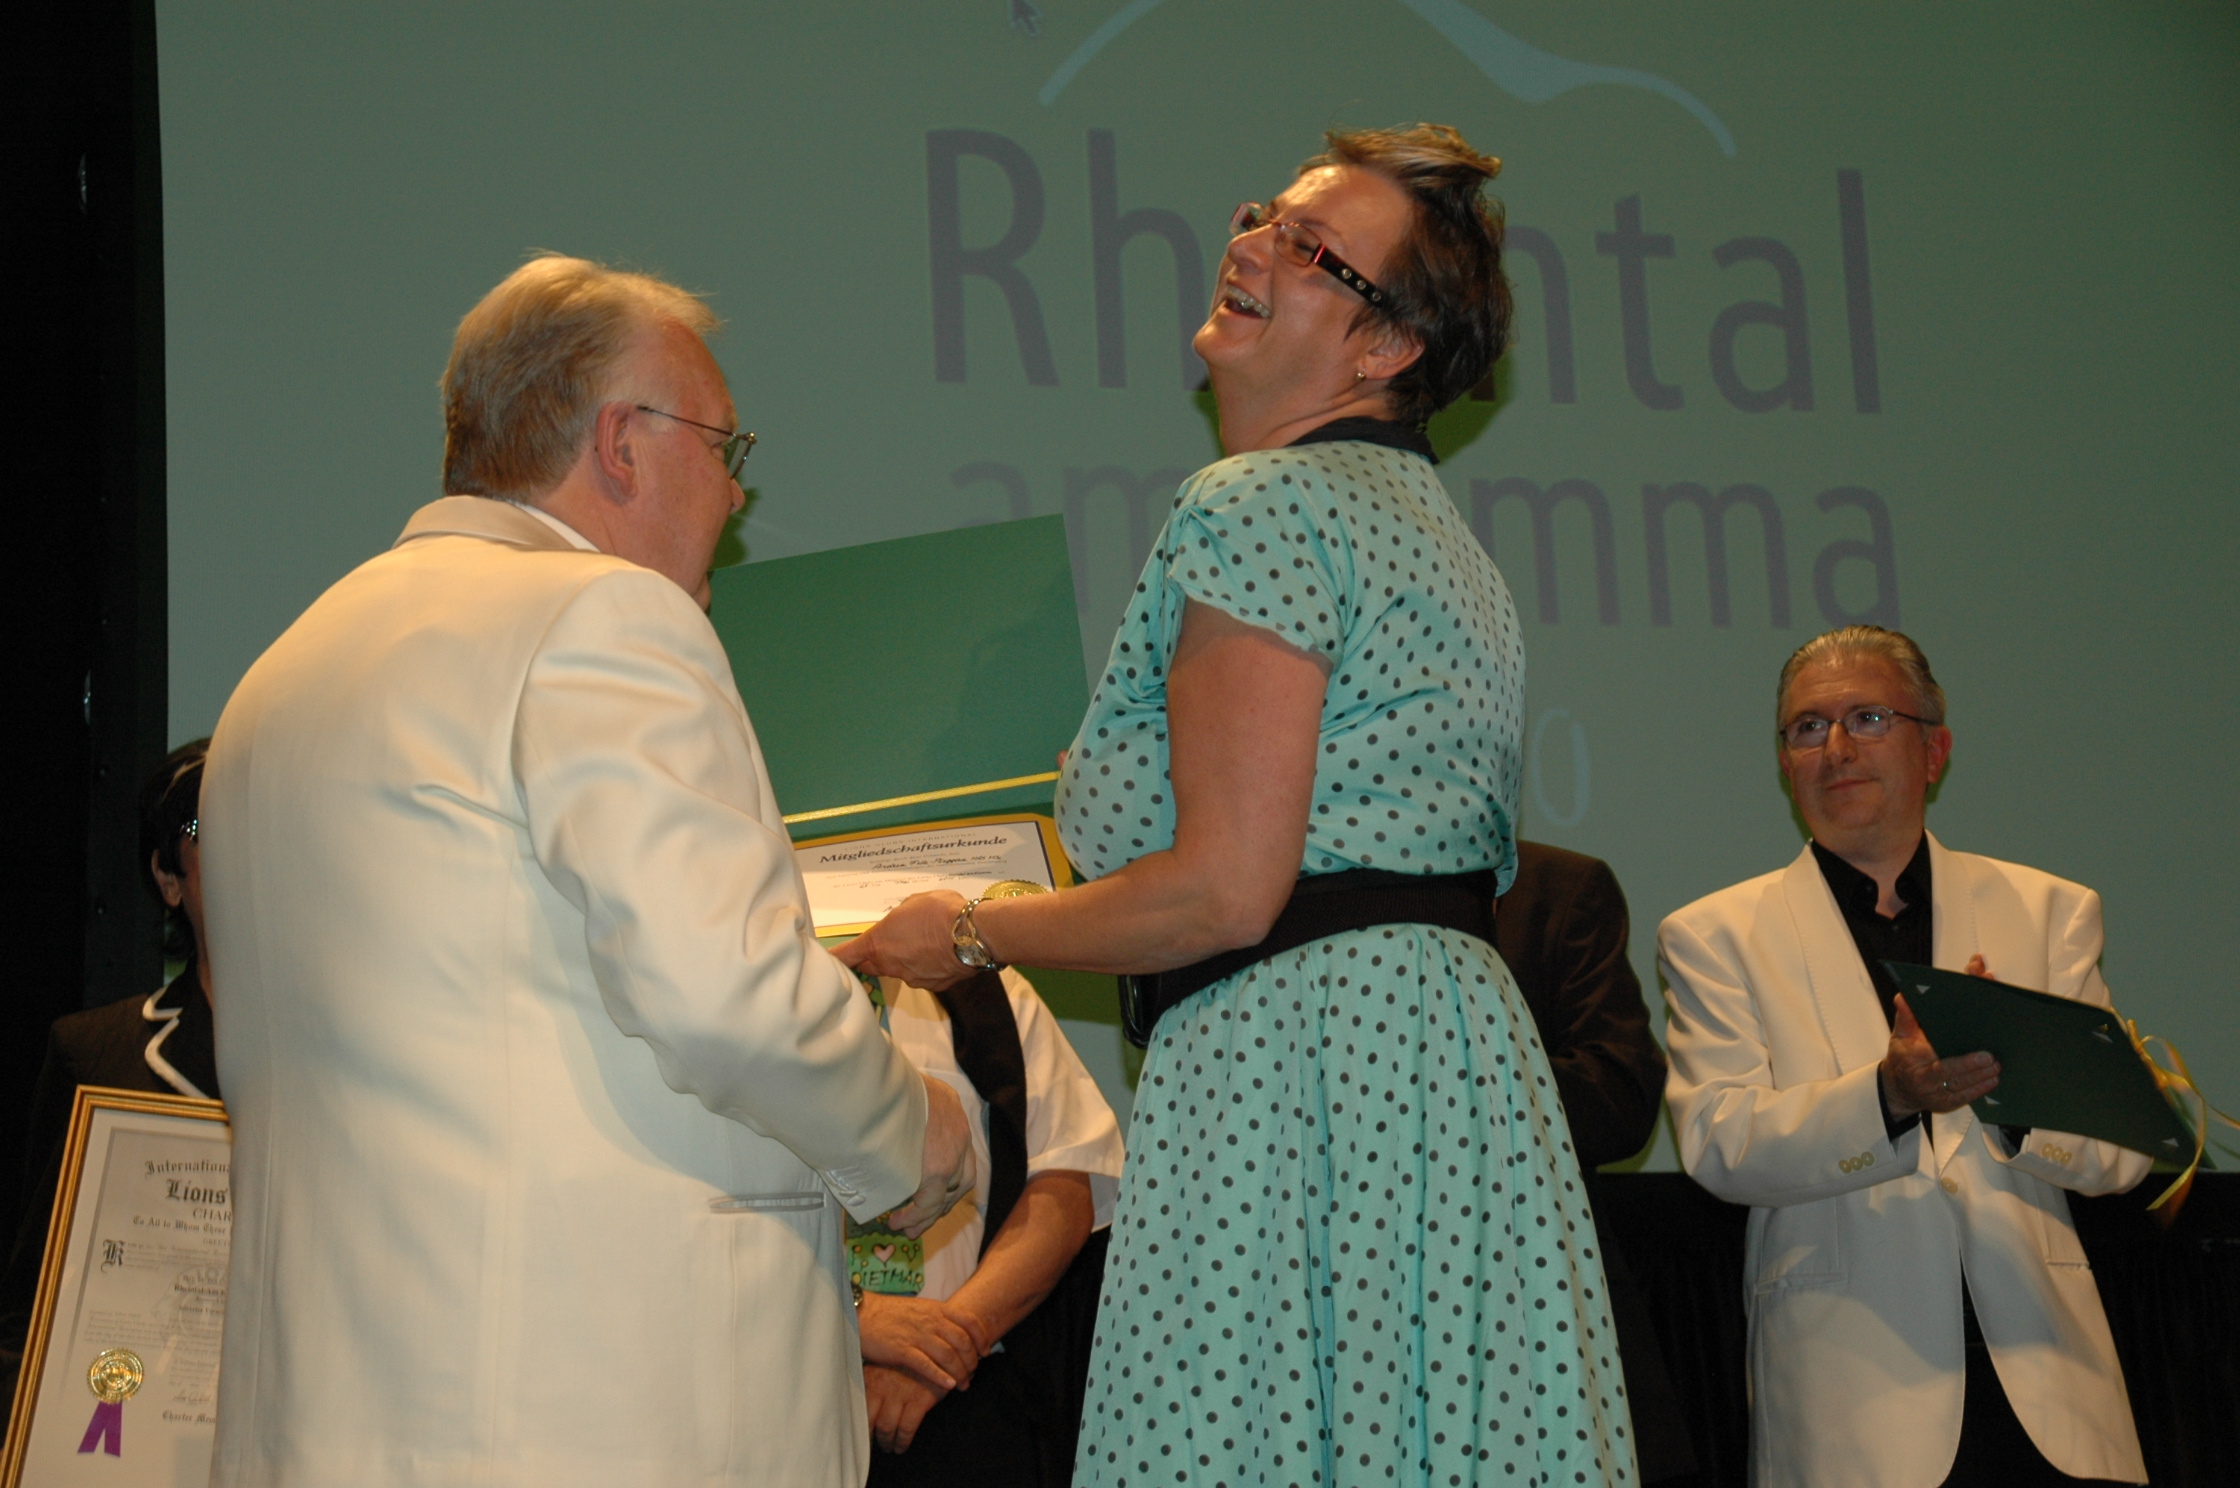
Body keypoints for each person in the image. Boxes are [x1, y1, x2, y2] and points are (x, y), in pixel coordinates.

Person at [840, 126, 1635, 1487]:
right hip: (1444, 1071)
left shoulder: (1257, 503)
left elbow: (1222, 890)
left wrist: (968, 930)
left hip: (1298, 1065)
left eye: (1311, 250)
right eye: (1267, 213)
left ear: (1386, 348)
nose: (1252, 243)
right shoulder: (1447, 543)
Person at [198, 255, 974, 1487]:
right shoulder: (600, 616)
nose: (736, 490)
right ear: (621, 442)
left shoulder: (281, 674)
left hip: (324, 1427)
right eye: (725, 446)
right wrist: (908, 1131)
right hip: (593, 1420)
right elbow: (728, 995)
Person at [1658, 625, 2148, 1487]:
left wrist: (2012, 1099)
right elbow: (1718, 1142)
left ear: (1935, 750)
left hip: (2049, 1392)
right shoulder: (1714, 935)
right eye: (1807, 728)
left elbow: (2122, 1149)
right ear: (1784, 763)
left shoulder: (2048, 911)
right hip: (1854, 1404)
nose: (1836, 748)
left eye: (1868, 718)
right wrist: (1888, 1096)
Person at [2, 740, 217, 1403]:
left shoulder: (360, 1059)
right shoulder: (97, 1054)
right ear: (169, 878)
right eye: (211, 825)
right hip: (133, 1425)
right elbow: (31, 1318)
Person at [858, 967, 1125, 1487]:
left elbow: (1066, 1185)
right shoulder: (721, 995)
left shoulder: (975, 981)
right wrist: (859, 1318)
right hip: (768, 1388)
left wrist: (937, 1351)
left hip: (963, 1403)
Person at [1492, 840, 1696, 1486]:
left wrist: (1467, 1071)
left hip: (1538, 1312)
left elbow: (1622, 1093)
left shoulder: (1552, 888)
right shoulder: (1282, 888)